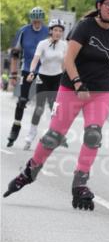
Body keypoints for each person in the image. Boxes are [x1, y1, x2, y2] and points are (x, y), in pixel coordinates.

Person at [3, 0, 109, 210]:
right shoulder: (84, 27)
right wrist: (78, 82)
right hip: (72, 88)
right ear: (99, 6)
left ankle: (80, 183)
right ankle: (30, 172)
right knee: (53, 136)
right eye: (108, 4)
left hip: (100, 91)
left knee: (93, 134)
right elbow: (68, 60)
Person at [6, 7, 49, 147]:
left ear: (42, 20)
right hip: (27, 69)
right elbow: (15, 54)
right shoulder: (23, 31)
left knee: (41, 104)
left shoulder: (48, 31)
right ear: (31, 20)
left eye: (39, 21)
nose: (36, 23)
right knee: (22, 100)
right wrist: (13, 74)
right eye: (34, 21)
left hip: (44, 71)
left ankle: (34, 132)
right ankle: (15, 128)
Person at [23, 18, 68, 150]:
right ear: (50, 31)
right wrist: (31, 71)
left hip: (57, 78)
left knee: (54, 108)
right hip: (43, 77)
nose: (58, 33)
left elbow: (65, 63)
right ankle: (30, 137)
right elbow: (35, 59)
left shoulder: (64, 45)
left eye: (60, 31)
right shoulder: (42, 44)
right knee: (39, 108)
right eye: (55, 30)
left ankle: (52, 134)